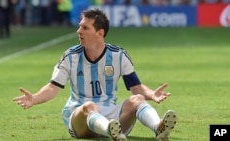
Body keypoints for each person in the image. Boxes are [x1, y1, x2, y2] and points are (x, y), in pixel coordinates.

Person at [13, 8, 177, 141]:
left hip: (114, 117)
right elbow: (52, 88)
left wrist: (151, 95)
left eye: (85, 28)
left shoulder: (118, 56)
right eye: (80, 26)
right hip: (81, 118)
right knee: (89, 106)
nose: (79, 31)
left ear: (100, 33)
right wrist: (34, 99)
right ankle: (110, 131)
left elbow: (136, 88)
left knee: (138, 99)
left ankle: (159, 128)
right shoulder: (71, 57)